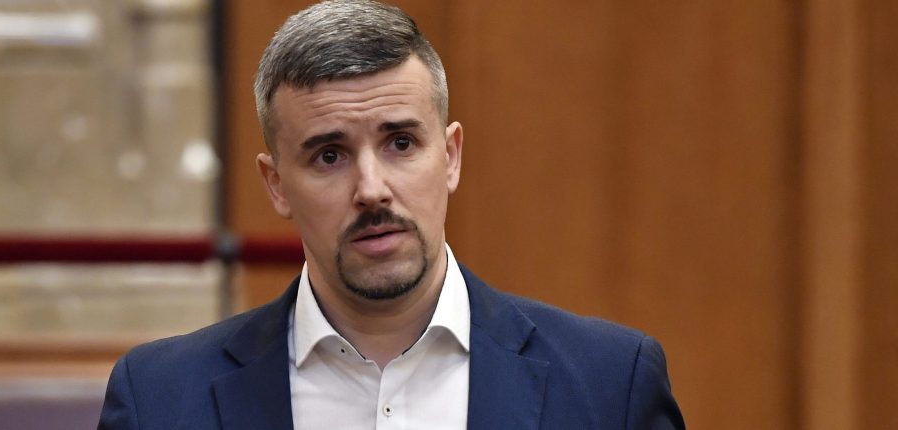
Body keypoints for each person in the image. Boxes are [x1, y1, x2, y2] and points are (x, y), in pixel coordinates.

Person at [98, 1, 685, 429]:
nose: (372, 190)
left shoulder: (611, 385)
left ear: (450, 156)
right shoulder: (160, 401)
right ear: (277, 186)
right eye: (330, 155)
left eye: (400, 143)